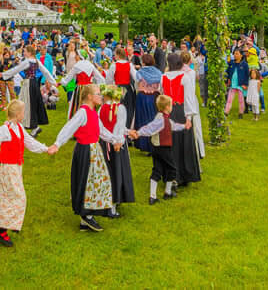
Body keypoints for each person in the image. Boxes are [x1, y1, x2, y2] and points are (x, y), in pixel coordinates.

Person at [0, 100, 55, 247]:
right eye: (23, 112)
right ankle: (0, 230)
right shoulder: (5, 129)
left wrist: (45, 149)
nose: (24, 114)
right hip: (6, 168)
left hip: (16, 168)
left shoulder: (19, 127)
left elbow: (29, 142)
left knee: (9, 198)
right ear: (17, 114)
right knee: (15, 197)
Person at [47, 84, 116, 233]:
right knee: (86, 181)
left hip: (94, 150)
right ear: (90, 96)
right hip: (85, 151)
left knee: (96, 181)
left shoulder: (93, 112)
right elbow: (69, 128)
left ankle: (86, 217)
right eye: (98, 94)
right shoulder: (83, 113)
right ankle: (87, 214)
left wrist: (116, 138)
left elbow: (102, 131)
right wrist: (57, 144)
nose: (101, 97)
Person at [127, 94, 188, 204]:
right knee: (172, 169)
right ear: (166, 107)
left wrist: (184, 126)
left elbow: (173, 126)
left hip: (156, 149)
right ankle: (167, 192)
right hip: (163, 149)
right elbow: (150, 128)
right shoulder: (161, 120)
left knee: (157, 170)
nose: (172, 108)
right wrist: (138, 133)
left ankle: (152, 196)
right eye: (170, 105)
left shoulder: (164, 118)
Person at [162, 53, 201, 186]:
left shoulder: (163, 77)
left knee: (171, 144)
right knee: (183, 143)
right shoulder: (184, 77)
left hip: (168, 112)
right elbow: (188, 97)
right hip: (180, 111)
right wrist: (189, 117)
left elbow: (162, 95)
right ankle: (184, 174)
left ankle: (173, 175)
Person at [1, 45, 56, 138]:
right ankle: (26, 125)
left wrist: (2, 75)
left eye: (25, 51)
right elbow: (46, 72)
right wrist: (53, 82)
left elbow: (16, 69)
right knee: (31, 104)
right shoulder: (36, 61)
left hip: (29, 84)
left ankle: (32, 126)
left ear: (29, 53)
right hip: (34, 83)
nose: (24, 53)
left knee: (26, 104)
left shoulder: (27, 62)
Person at [98, 85, 134, 218]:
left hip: (104, 143)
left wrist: (128, 131)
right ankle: (112, 206)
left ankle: (105, 201)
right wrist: (117, 141)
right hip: (116, 145)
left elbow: (103, 127)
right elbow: (118, 127)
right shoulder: (121, 108)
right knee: (116, 173)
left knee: (106, 172)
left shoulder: (102, 108)